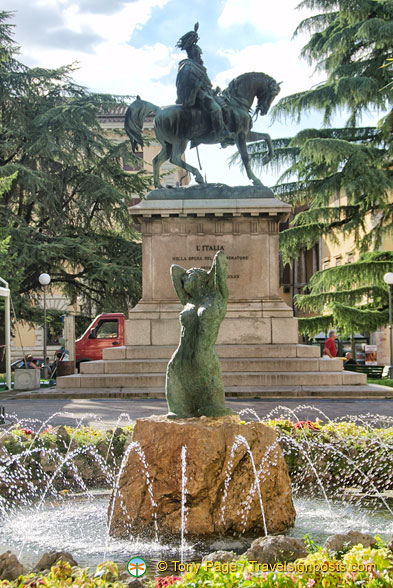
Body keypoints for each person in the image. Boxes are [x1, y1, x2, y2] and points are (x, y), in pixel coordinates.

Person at [175, 23, 230, 144]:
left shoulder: (198, 66)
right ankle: (220, 135)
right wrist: (197, 88)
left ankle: (224, 130)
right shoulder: (188, 66)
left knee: (225, 106)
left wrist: (213, 91)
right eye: (199, 54)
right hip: (196, 96)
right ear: (194, 54)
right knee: (215, 110)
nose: (201, 57)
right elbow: (187, 86)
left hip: (207, 94)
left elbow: (206, 85)